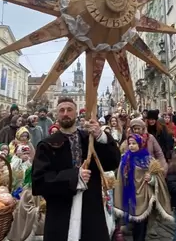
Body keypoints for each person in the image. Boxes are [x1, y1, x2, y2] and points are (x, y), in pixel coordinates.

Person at [32, 96, 121, 241]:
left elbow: (112, 162)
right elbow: (39, 182)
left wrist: (101, 136)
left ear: (76, 113)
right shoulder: (47, 145)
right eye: (61, 110)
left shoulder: (89, 139)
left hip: (90, 207)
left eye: (69, 109)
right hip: (61, 210)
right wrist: (74, 177)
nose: (65, 113)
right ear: (57, 114)